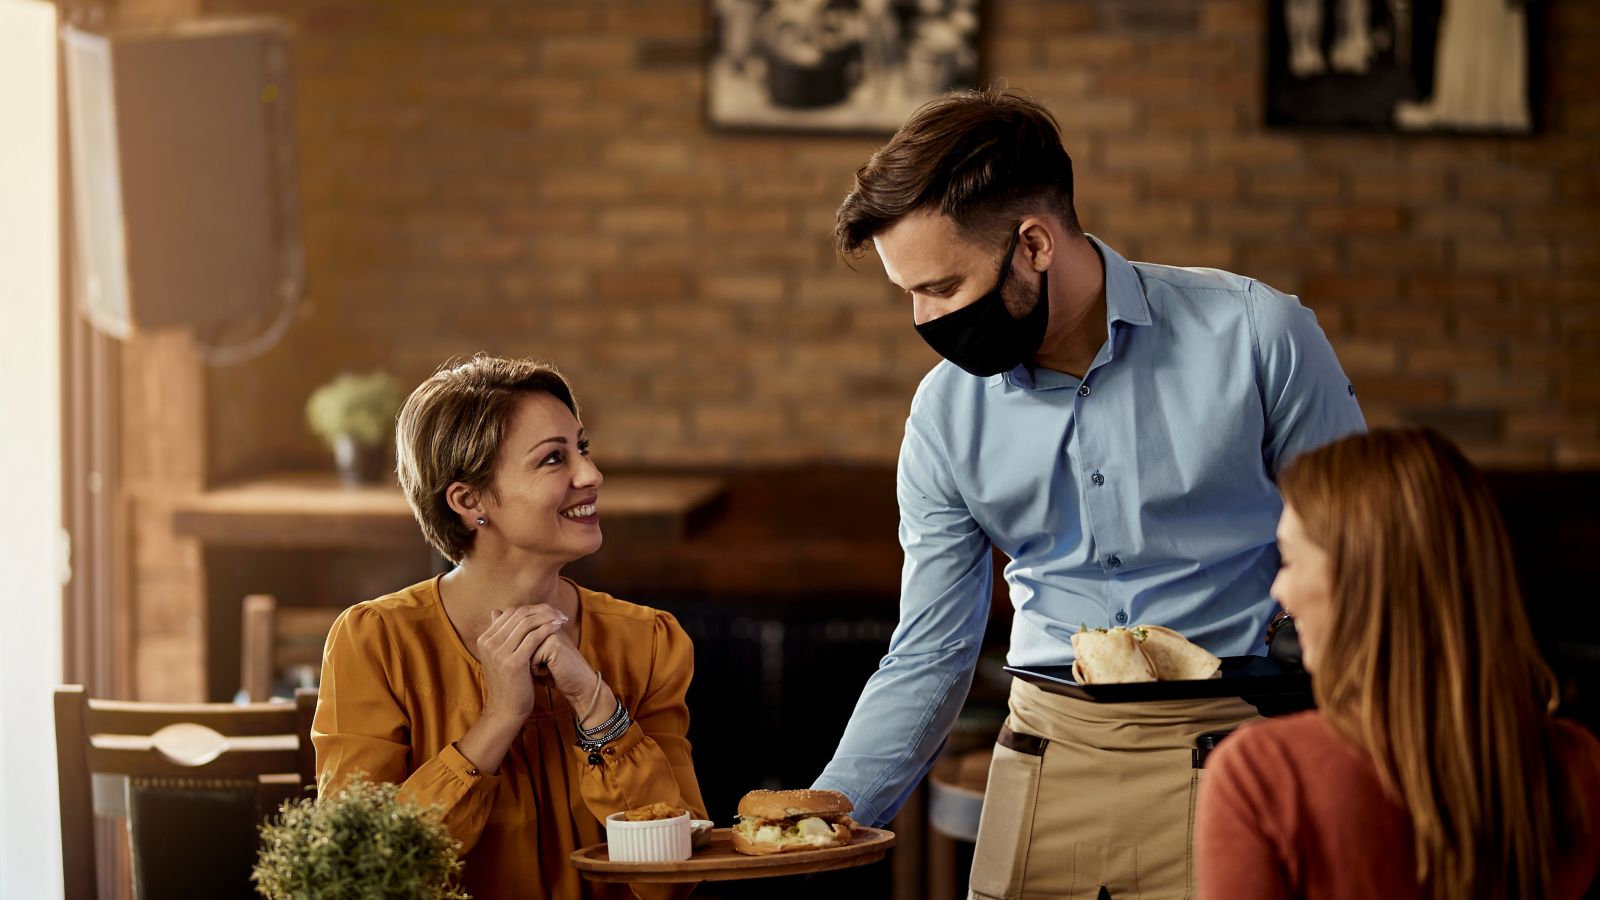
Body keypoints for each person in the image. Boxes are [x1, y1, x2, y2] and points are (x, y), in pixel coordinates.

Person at [809, 87, 1366, 899]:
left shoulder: (1259, 336)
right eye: (909, 295)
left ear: (1033, 243)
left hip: (1238, 748)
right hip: (1043, 754)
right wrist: (821, 823)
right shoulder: (942, 414)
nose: (923, 319)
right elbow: (930, 648)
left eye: (940, 287)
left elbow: (1371, 568)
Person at [311, 356, 705, 900]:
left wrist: (596, 706)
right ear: (468, 501)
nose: (591, 476)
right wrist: (499, 718)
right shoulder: (377, 642)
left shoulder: (648, 641)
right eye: (553, 459)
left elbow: (670, 884)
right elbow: (357, 879)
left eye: (582, 448)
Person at [1195, 428, 1600, 900]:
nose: (1277, 592)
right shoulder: (1577, 766)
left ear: (1362, 581)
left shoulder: (1263, 776)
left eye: (1288, 561)